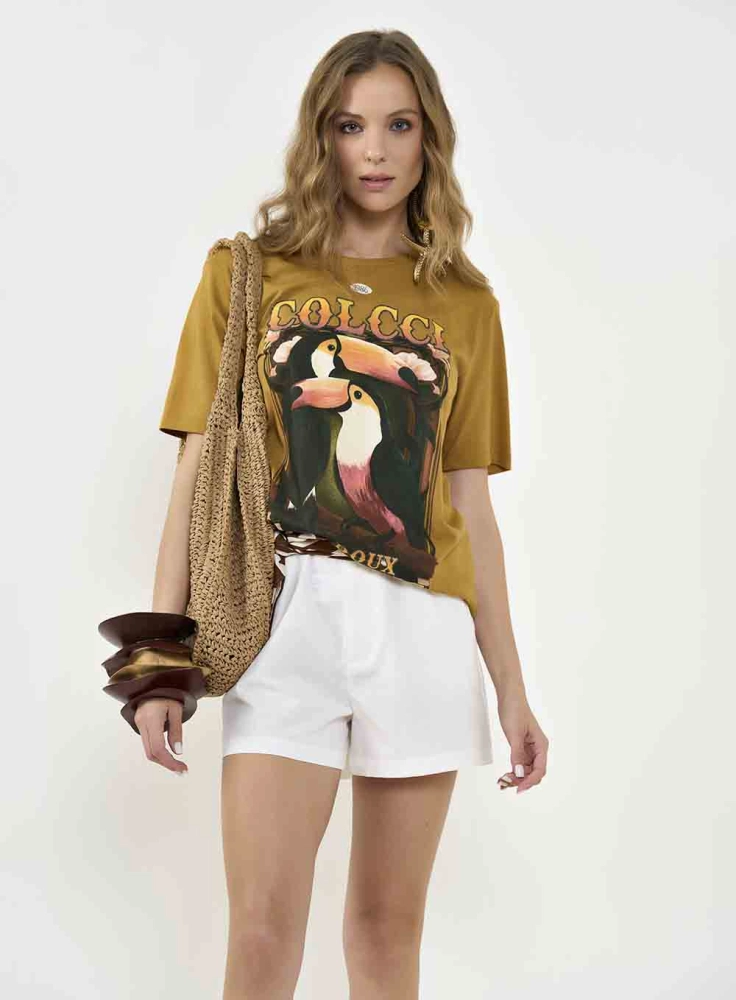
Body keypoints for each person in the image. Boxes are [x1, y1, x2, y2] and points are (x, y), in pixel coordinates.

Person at [140, 29, 549, 1000]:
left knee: (384, 935)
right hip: (286, 620)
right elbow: (196, 475)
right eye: (350, 125)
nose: (374, 151)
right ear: (319, 136)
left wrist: (512, 688)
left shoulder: (467, 303)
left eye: (398, 126)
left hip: (422, 628)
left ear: (428, 139)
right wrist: (157, 658)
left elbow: (469, 505)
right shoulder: (247, 273)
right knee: (261, 935)